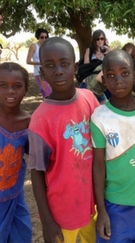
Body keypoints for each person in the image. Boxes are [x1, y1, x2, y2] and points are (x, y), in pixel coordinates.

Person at [28, 37, 99, 243]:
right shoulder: (40, 120)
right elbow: (37, 172)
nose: (58, 70)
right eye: (50, 66)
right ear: (42, 73)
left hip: (91, 204)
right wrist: (47, 222)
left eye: (64, 63)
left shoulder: (89, 99)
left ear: (74, 67)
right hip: (61, 212)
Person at [91, 50, 135, 242]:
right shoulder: (99, 117)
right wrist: (101, 210)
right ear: (104, 79)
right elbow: (98, 165)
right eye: (110, 75)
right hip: (115, 205)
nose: (118, 79)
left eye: (125, 73)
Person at [0, 62, 32, 242]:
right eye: (3, 86)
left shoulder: (29, 122)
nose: (10, 91)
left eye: (17, 86)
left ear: (26, 90)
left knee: (21, 235)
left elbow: (35, 155)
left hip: (15, 197)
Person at [26, 28, 52, 98]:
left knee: (51, 93)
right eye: (42, 37)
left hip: (49, 72)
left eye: (46, 37)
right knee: (47, 93)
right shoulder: (34, 46)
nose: (44, 39)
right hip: (39, 72)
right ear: (38, 37)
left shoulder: (47, 47)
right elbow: (28, 61)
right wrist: (39, 63)